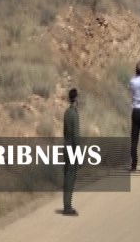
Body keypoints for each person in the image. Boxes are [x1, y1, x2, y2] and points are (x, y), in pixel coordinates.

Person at [63, 87, 79, 216]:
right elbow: (76, 135)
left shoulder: (67, 112)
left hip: (66, 146)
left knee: (67, 176)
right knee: (70, 177)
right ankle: (67, 207)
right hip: (72, 149)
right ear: (76, 99)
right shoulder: (74, 113)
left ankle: (66, 204)